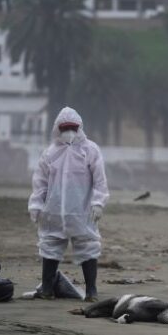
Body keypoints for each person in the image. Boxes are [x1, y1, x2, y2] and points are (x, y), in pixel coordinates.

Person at [28, 107, 109, 302]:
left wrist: (98, 203)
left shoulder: (90, 150)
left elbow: (100, 180)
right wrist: (36, 205)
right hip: (53, 212)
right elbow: (40, 182)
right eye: (65, 128)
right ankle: (46, 289)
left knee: (88, 246)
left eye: (73, 128)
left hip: (81, 212)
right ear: (58, 128)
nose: (69, 132)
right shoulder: (50, 153)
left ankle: (91, 291)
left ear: (79, 127)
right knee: (50, 246)